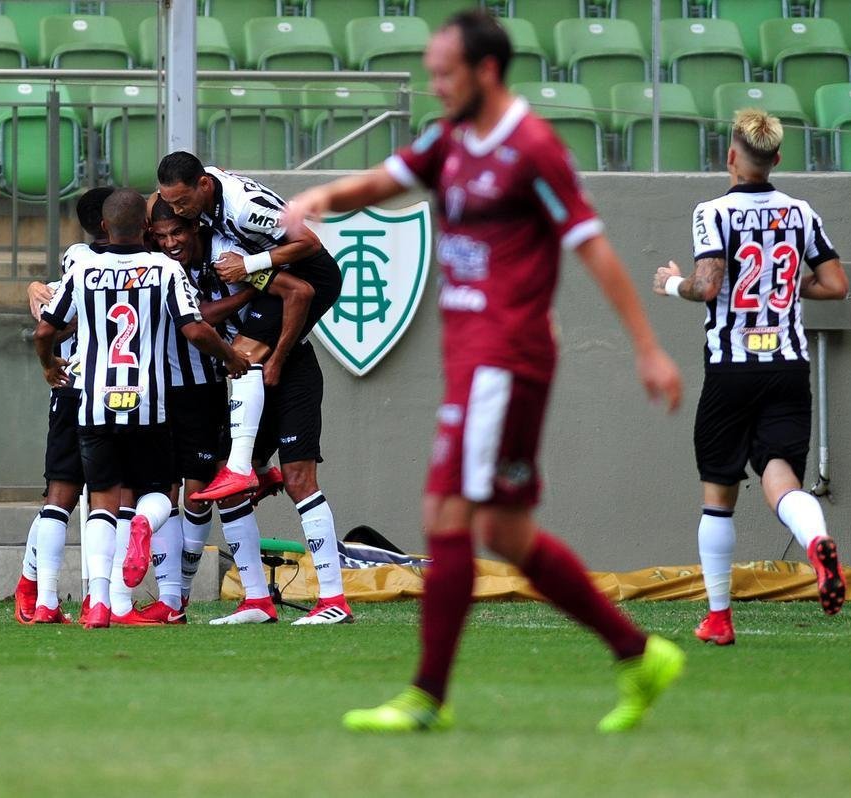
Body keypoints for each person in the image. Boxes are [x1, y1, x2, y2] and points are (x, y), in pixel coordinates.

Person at [281, 10, 685, 732]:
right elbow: (387, 180)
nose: (435, 85)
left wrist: (647, 348)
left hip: (506, 359)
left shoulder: (532, 147)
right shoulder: (452, 137)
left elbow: (591, 246)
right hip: (475, 359)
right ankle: (638, 653)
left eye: (445, 73)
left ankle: (426, 696)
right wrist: (321, 199)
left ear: (486, 71)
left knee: (447, 515)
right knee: (505, 531)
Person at [653, 109, 849, 646]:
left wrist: (672, 284)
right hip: (787, 364)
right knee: (779, 473)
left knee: (718, 494)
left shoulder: (711, 212)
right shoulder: (802, 212)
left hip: (732, 367)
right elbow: (835, 285)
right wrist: (786, 287)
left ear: (731, 155)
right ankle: (816, 545)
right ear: (777, 159)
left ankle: (719, 619)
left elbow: (709, 284)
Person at [35, 189, 249, 629]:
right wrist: (230, 358)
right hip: (148, 405)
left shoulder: (83, 269)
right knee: (159, 495)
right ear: (147, 229)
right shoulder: (165, 268)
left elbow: (44, 330)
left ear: (106, 227)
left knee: (102, 503)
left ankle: (98, 604)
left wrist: (49, 365)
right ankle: (142, 529)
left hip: (94, 405)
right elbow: (194, 329)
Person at [157, 154, 354, 626]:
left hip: (290, 365)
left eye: (180, 224)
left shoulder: (236, 233)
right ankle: (257, 602)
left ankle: (334, 600)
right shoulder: (187, 260)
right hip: (255, 376)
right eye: (163, 232)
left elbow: (302, 289)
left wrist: (278, 355)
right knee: (226, 491)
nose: (173, 235)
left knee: (300, 476)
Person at [14, 185, 114, 624]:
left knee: (63, 496)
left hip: (72, 391)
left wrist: (37, 290)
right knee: (104, 496)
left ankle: (44, 597)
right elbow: (53, 317)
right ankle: (96, 599)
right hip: (108, 393)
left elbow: (47, 305)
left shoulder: (76, 264)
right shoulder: (108, 266)